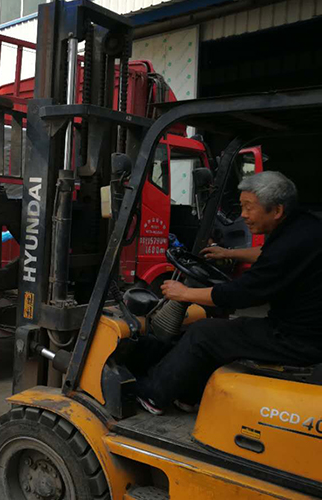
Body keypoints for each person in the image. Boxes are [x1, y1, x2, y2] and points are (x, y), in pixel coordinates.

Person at [137, 171, 322, 415]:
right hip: (303, 331)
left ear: (276, 210)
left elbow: (242, 294)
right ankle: (188, 396)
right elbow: (267, 254)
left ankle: (153, 395)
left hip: (296, 339)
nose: (243, 214)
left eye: (249, 207)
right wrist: (228, 253)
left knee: (203, 332)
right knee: (223, 333)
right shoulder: (303, 227)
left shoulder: (291, 242)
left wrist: (185, 293)